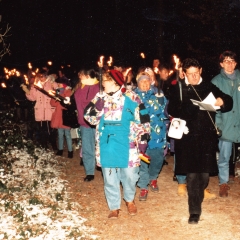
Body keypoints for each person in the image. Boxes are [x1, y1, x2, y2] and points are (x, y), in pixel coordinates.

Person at [168, 58, 232, 224]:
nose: (194, 77)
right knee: (192, 176)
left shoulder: (208, 86)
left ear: (201, 70)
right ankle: (194, 211)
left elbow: (228, 101)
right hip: (188, 138)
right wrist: (193, 106)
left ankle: (199, 194)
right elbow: (172, 109)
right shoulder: (180, 87)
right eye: (190, 74)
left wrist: (222, 102)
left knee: (203, 176)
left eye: (196, 73)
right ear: (184, 73)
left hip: (206, 138)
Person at [84, 70, 150, 219]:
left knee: (130, 174)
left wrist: (144, 138)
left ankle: (129, 199)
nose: (102, 85)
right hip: (106, 143)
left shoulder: (132, 97)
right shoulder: (100, 97)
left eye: (105, 82)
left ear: (114, 82)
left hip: (128, 142)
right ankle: (114, 206)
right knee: (109, 176)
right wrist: (98, 107)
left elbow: (144, 118)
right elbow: (89, 118)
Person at [134, 72, 167, 201]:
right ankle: (143, 186)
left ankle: (153, 178)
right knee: (142, 161)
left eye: (147, 81)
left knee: (158, 159)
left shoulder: (158, 93)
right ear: (138, 83)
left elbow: (167, 111)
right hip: (141, 135)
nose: (145, 83)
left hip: (157, 134)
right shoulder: (133, 96)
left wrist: (163, 101)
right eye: (142, 81)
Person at [211, 50, 240, 197]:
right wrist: (218, 124)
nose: (230, 64)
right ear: (221, 64)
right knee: (224, 156)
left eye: (232, 61)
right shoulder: (216, 81)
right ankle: (223, 183)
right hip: (226, 123)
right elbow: (213, 106)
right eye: (226, 61)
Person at [21, 70, 57, 150]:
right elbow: (32, 98)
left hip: (49, 110)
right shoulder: (35, 86)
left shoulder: (51, 83)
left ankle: (54, 144)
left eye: (42, 76)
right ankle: (44, 145)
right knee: (42, 130)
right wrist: (26, 91)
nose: (41, 78)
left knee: (51, 129)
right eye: (39, 76)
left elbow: (57, 93)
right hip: (40, 110)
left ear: (46, 76)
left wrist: (54, 85)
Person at [74, 69, 99, 182]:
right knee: (87, 148)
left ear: (88, 75)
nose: (80, 78)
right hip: (84, 123)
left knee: (100, 147)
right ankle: (89, 172)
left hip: (98, 123)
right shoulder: (80, 87)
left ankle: (104, 168)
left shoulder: (98, 87)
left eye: (82, 75)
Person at [50, 78, 73, 158]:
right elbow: (52, 103)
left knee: (67, 135)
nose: (58, 85)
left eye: (59, 84)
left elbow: (68, 104)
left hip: (65, 116)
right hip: (59, 116)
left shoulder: (68, 92)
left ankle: (70, 151)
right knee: (60, 134)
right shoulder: (57, 92)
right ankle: (60, 150)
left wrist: (62, 98)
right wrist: (55, 98)